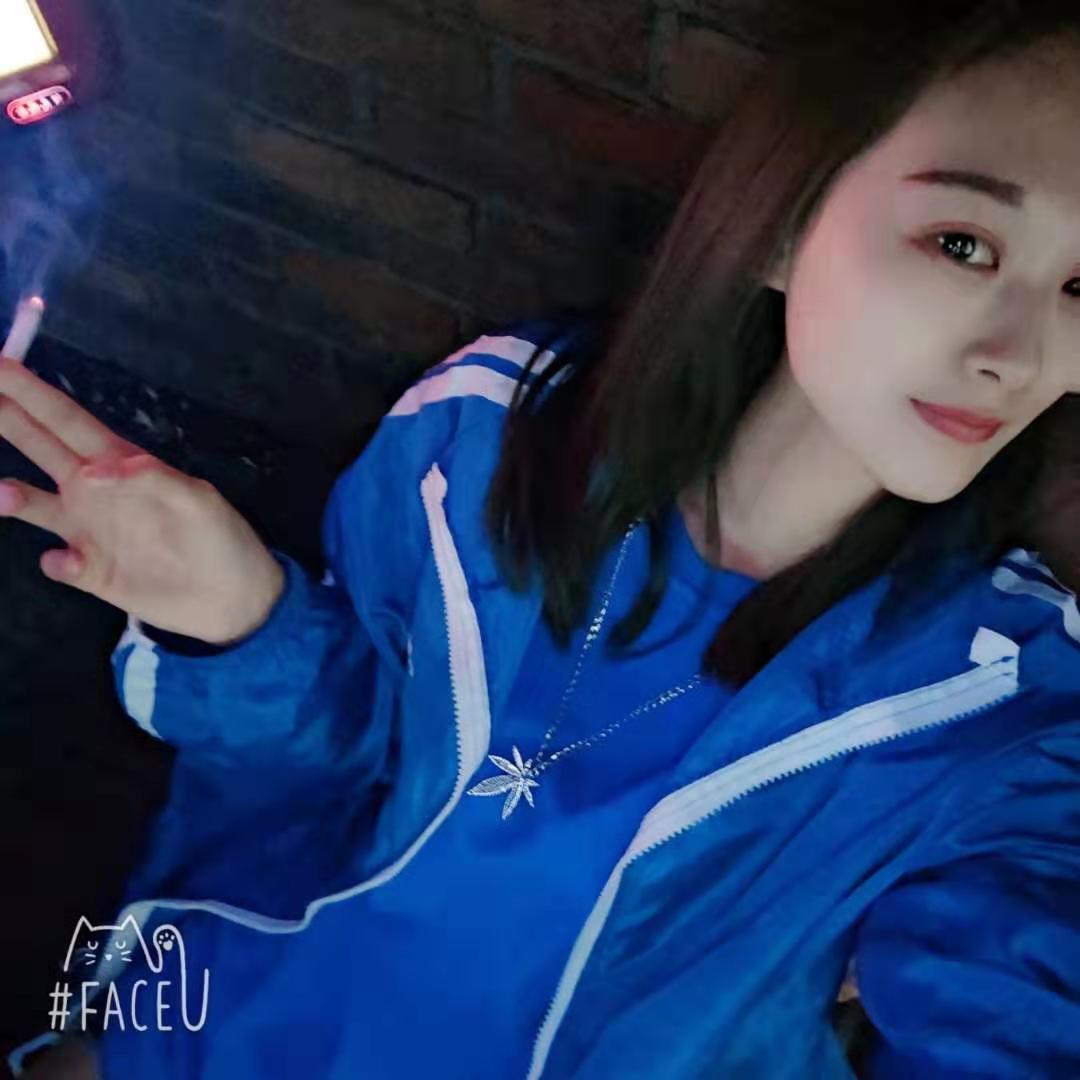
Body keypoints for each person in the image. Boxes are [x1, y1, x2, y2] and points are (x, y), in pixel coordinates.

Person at [7, 4, 1080, 1077]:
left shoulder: (1008, 695)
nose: (1019, 354)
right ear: (783, 221)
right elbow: (346, 770)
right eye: (963, 244)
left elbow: (1016, 993)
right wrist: (247, 624)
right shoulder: (485, 435)